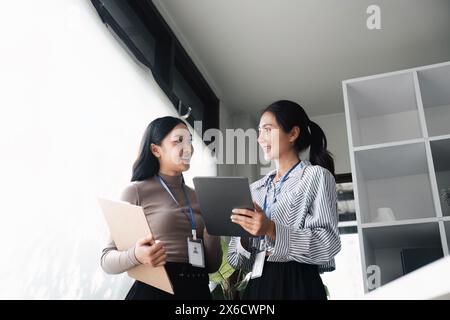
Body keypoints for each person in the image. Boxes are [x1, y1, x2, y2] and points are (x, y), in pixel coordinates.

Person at [227, 100, 341, 300]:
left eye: (267, 130)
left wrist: (271, 229)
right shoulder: (254, 190)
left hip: (299, 283)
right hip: (257, 283)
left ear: (293, 134)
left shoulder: (316, 176)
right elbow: (237, 261)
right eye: (259, 131)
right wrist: (245, 234)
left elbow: (327, 245)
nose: (260, 138)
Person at [101, 116, 222, 300]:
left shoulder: (201, 197)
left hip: (198, 292)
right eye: (178, 141)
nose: (188, 148)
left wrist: (214, 228)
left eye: (190, 141)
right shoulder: (136, 191)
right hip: (155, 292)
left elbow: (213, 265)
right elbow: (106, 261)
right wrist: (137, 256)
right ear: (156, 149)